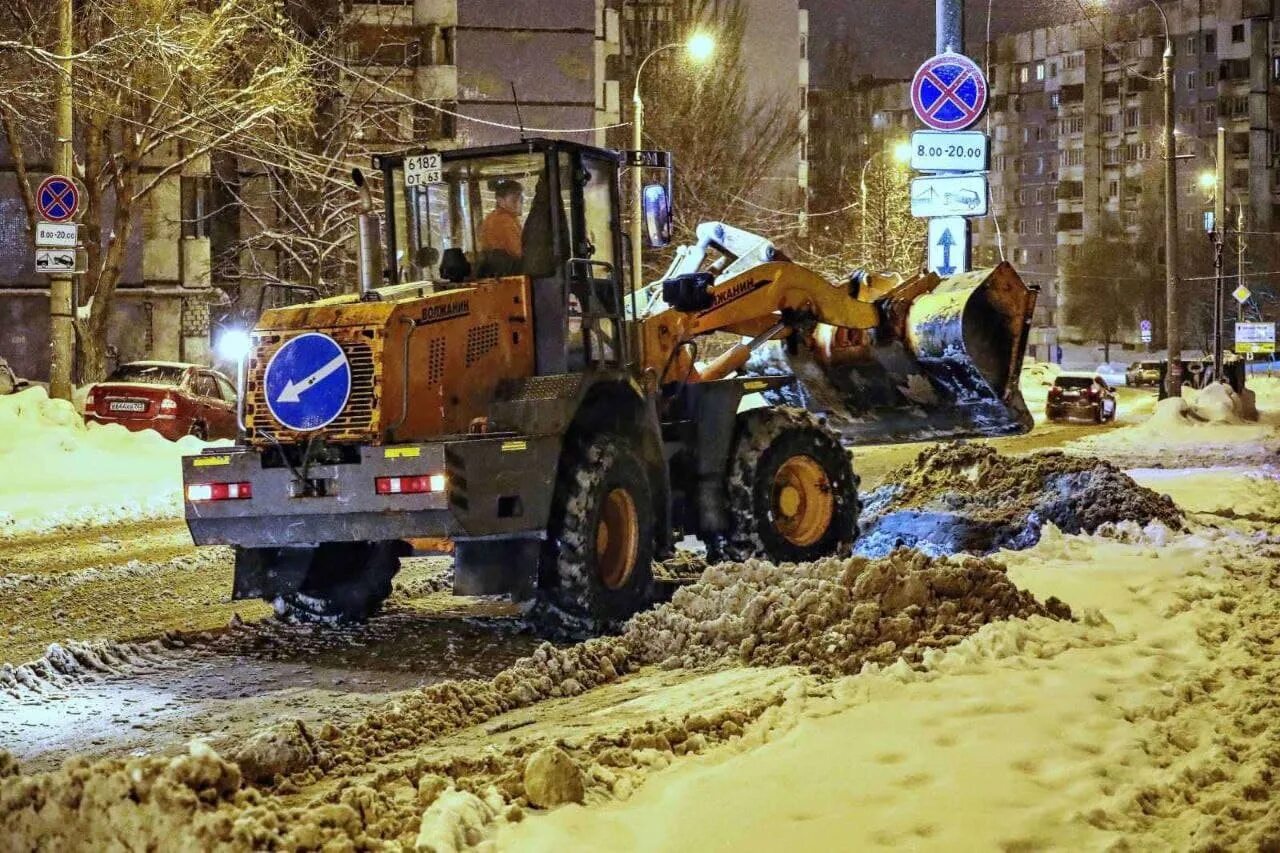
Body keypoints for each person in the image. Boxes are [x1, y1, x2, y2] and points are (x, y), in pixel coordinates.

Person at [477, 179, 524, 276]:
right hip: (508, 274)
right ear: (500, 200)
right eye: (514, 200)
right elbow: (518, 252)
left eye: (521, 200)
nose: (519, 204)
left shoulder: (491, 217)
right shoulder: (504, 221)